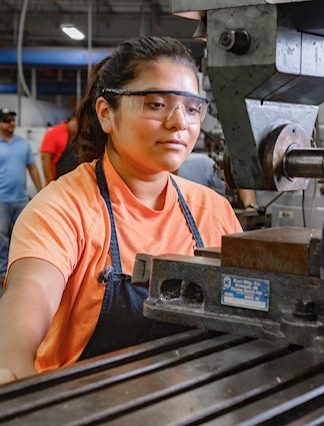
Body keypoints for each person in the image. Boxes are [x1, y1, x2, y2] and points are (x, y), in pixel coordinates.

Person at [0, 36, 242, 384]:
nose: (179, 123)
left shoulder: (213, 211)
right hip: (80, 405)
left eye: (192, 109)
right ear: (106, 114)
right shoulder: (64, 209)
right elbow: (31, 291)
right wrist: (11, 359)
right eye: (157, 104)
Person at [0, 108, 42, 285]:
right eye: (6, 120)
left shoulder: (22, 144)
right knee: (1, 238)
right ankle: (3, 271)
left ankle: (22, 270)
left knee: (24, 235)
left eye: (12, 120)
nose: (11, 123)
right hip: (1, 200)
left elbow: (32, 168)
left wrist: (41, 192)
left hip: (21, 199)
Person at [40, 116, 79, 184]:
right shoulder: (54, 133)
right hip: (57, 183)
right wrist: (51, 184)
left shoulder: (80, 136)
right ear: (73, 120)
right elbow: (45, 159)